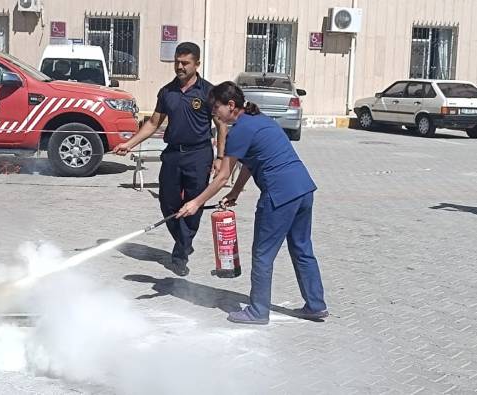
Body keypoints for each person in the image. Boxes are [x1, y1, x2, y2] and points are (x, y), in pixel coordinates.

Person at [176, 81, 328, 325]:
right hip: (303, 189)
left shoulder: (239, 131)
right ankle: (316, 305)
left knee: (262, 255)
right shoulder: (260, 120)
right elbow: (249, 162)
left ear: (231, 105)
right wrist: (236, 192)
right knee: (302, 248)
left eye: (216, 107)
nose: (214, 113)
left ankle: (258, 311)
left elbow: (223, 174)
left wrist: (195, 202)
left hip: (279, 195)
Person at [114, 42, 227, 277]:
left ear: (197, 64)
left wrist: (220, 157)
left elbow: (221, 125)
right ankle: (184, 241)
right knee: (167, 203)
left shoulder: (208, 92)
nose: (179, 67)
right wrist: (129, 144)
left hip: (199, 155)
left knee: (194, 204)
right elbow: (154, 123)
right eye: (177, 62)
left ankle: (180, 254)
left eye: (185, 63)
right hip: (173, 154)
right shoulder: (167, 92)